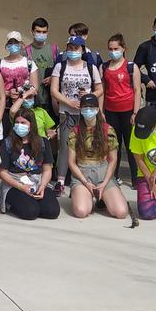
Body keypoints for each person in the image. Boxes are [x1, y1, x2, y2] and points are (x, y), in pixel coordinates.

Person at [51, 36, 102, 192]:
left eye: (76, 48)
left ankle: (88, 178)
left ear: (82, 49)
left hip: (87, 113)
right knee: (66, 146)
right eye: (70, 48)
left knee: (87, 144)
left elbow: (100, 89)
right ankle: (60, 180)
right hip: (67, 112)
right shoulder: (61, 66)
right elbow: (54, 90)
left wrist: (88, 96)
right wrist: (68, 102)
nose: (73, 51)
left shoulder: (90, 67)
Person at [65, 95, 128, 220]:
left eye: (91, 107)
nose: (88, 110)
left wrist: (104, 183)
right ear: (80, 110)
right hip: (82, 173)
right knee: (81, 211)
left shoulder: (108, 130)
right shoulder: (74, 132)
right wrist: (86, 182)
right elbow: (72, 162)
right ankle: (86, 196)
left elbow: (113, 159)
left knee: (121, 212)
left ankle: (104, 196)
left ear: (97, 109)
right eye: (85, 108)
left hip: (103, 172)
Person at [0, 108, 58, 220]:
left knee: (51, 211)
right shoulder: (7, 143)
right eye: (17, 122)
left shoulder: (43, 142)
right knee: (30, 212)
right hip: (15, 182)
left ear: (31, 125)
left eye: (23, 123)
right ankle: (10, 204)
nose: (19, 125)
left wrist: (43, 186)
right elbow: (2, 173)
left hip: (37, 180)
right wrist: (21, 187)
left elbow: (47, 169)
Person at [101, 34, 140, 186]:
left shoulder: (131, 67)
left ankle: (136, 178)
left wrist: (135, 112)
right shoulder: (104, 67)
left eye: (116, 48)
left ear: (123, 49)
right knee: (113, 146)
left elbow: (137, 90)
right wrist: (101, 111)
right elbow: (102, 91)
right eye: (110, 49)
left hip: (128, 111)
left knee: (131, 146)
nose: (113, 51)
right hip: (111, 111)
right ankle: (113, 176)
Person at [0, 31, 38, 131]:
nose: (13, 45)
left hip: (26, 108)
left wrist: (23, 94)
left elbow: (35, 88)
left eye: (16, 42)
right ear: (7, 45)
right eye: (10, 43)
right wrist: (8, 93)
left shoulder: (29, 63)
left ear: (21, 44)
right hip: (6, 107)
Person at [26, 18, 59, 115]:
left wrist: (53, 78)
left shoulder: (54, 49)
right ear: (32, 32)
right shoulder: (26, 51)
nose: (41, 34)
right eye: (38, 31)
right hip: (34, 98)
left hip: (52, 97)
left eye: (44, 32)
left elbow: (62, 70)